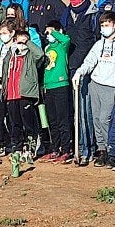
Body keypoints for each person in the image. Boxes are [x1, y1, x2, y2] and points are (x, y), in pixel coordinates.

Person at [73, 12, 115, 168]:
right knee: (96, 118)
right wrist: (80, 72)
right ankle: (101, 149)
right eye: (102, 26)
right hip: (96, 83)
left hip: (112, 86)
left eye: (107, 25)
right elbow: (90, 61)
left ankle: (112, 150)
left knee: (105, 119)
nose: (105, 28)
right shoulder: (98, 44)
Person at [66, 0, 101, 165]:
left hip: (87, 70)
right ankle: (79, 147)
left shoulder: (93, 15)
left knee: (85, 111)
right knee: (74, 111)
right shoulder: (67, 13)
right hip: (70, 68)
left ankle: (89, 148)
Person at [0, 25, 43, 155]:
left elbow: (40, 54)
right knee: (15, 124)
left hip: (25, 94)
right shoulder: (11, 55)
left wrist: (27, 42)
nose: (20, 44)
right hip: (11, 95)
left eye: (22, 41)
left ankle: (31, 148)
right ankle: (17, 147)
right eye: (18, 41)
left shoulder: (30, 56)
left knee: (29, 124)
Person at [41, 20, 73, 163]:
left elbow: (66, 39)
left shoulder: (62, 46)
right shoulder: (47, 48)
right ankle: (55, 148)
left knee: (62, 120)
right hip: (49, 86)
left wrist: (54, 31)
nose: (49, 35)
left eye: (51, 32)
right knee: (52, 120)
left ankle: (66, 149)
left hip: (61, 85)